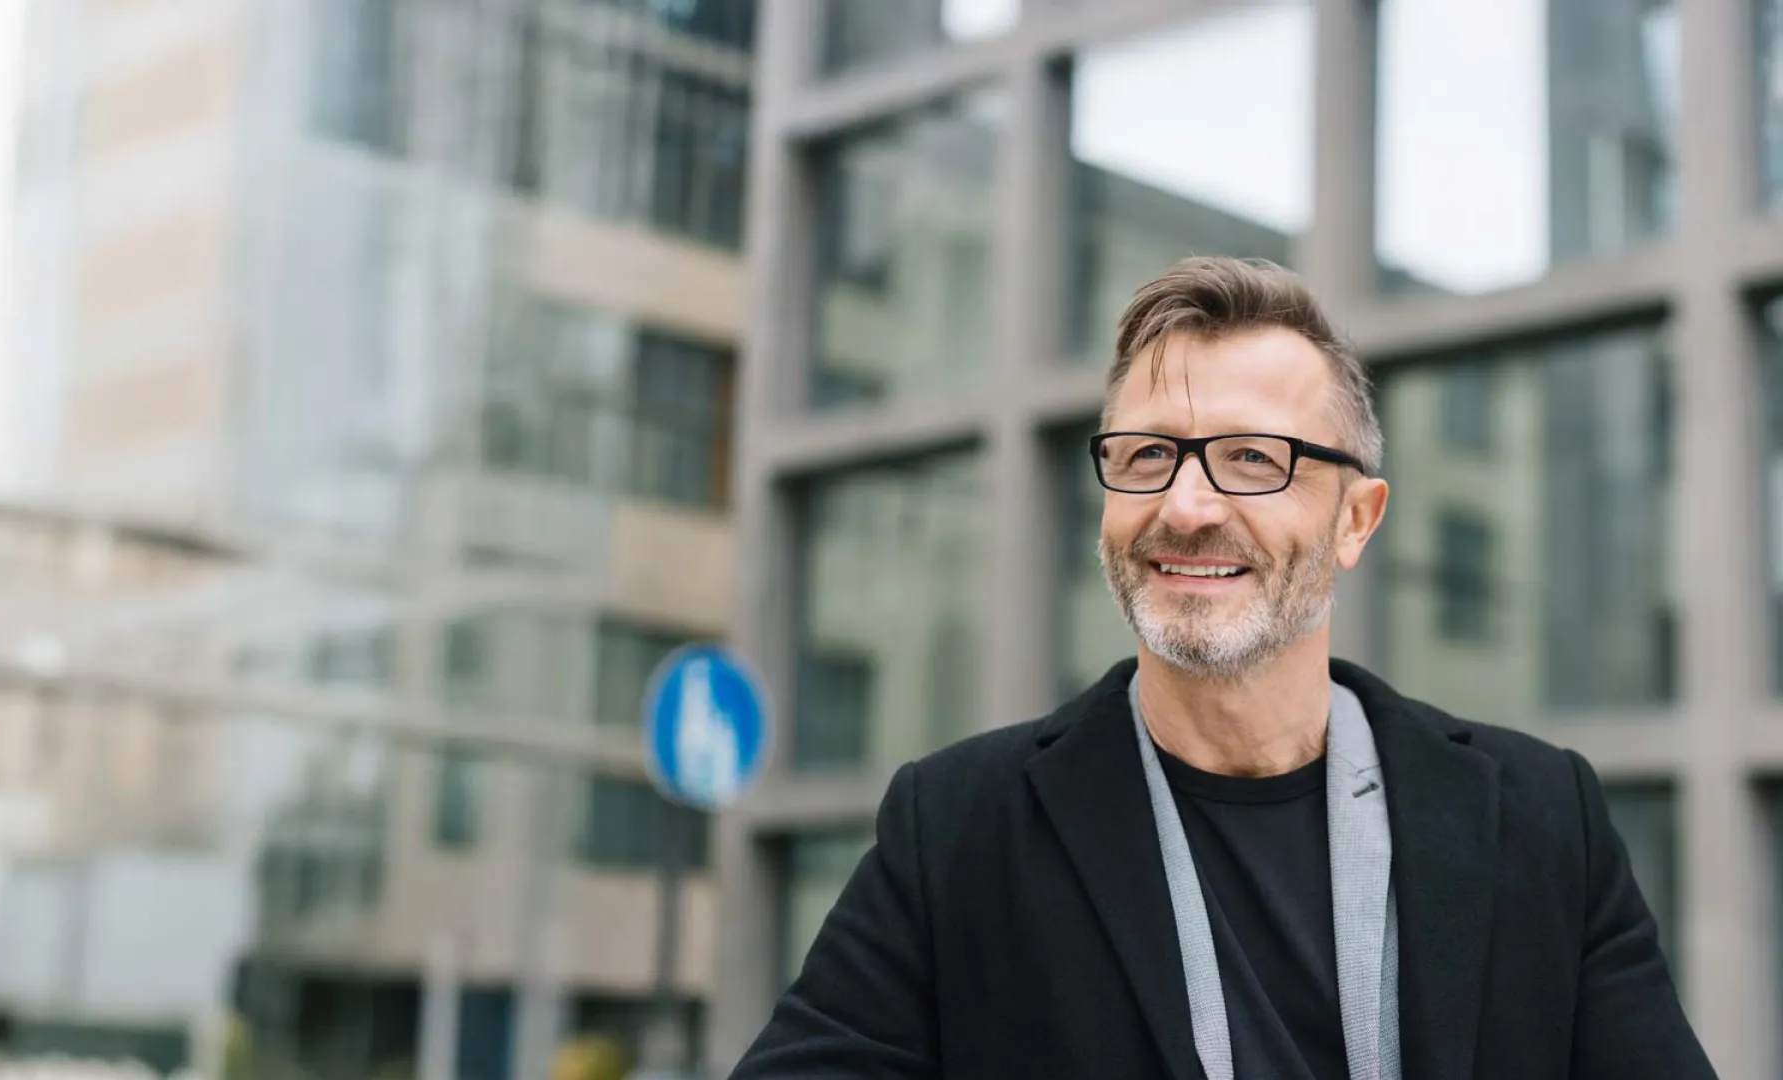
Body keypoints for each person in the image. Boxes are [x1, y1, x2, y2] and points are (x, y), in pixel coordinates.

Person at [728, 256, 1714, 1080]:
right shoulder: (957, 828)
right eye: (1148, 455)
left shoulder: (1542, 821)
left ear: (1356, 520)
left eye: (1252, 458)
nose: (1188, 506)